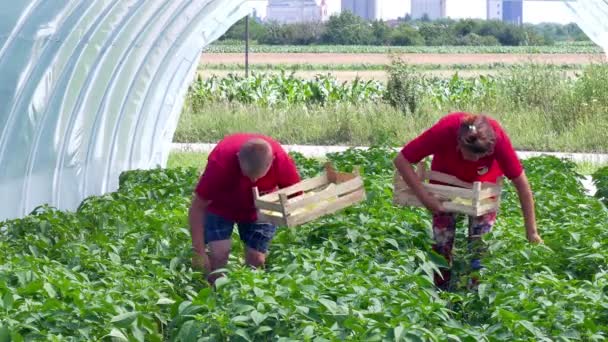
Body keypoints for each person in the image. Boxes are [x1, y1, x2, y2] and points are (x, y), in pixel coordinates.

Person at [393, 112, 542, 290]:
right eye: (470, 155)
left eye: (480, 156)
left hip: (483, 190)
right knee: (442, 244)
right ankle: (440, 293)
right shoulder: (445, 130)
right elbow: (401, 160)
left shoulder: (498, 139)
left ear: (490, 149)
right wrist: (425, 198)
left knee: (480, 247)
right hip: (445, 183)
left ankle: (476, 296)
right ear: (459, 142)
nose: (474, 160)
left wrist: (532, 232)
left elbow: (522, 185)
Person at [188, 133, 301, 284]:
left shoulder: (281, 160)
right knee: (218, 256)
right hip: (221, 205)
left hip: (259, 206)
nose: (253, 181)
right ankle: (216, 295)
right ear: (237, 158)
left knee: (257, 259)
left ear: (271, 161)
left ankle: (247, 293)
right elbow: (197, 207)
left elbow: (295, 194)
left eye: (258, 177)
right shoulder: (220, 163)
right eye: (247, 175)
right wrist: (199, 252)